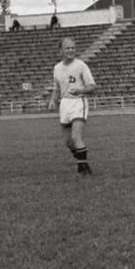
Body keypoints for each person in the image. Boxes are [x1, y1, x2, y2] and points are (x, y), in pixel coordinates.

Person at [48, 37, 97, 176]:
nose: (70, 50)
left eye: (72, 48)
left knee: (76, 137)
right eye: (67, 48)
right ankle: (84, 164)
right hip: (65, 104)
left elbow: (92, 87)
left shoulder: (81, 65)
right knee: (68, 142)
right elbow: (56, 88)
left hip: (78, 102)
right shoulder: (57, 68)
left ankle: (82, 171)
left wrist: (80, 90)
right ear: (61, 51)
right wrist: (53, 100)